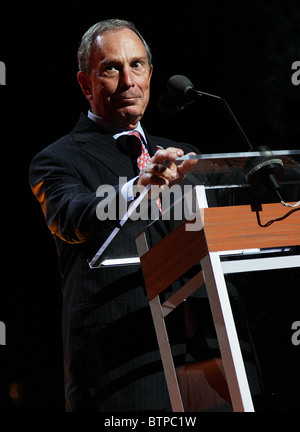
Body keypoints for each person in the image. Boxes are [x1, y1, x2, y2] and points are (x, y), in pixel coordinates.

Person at [29, 19, 199, 412]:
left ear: (151, 74)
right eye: (111, 68)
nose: (128, 81)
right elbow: (71, 217)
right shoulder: (57, 159)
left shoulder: (184, 155)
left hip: (207, 353)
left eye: (137, 65)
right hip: (122, 360)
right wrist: (135, 188)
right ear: (85, 84)